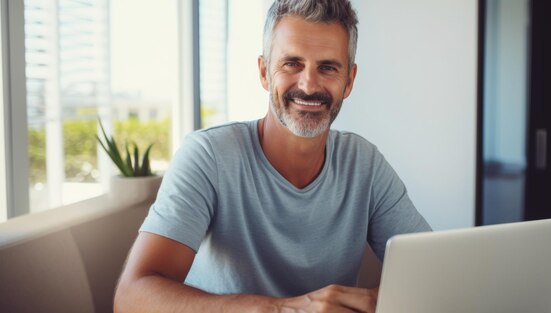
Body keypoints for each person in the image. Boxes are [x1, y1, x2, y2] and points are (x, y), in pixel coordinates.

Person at [114, 0, 431, 312]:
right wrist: (285, 309)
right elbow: (132, 298)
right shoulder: (208, 156)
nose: (308, 85)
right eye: (292, 63)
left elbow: (432, 273)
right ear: (265, 72)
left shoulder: (365, 164)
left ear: (349, 81)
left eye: (328, 67)